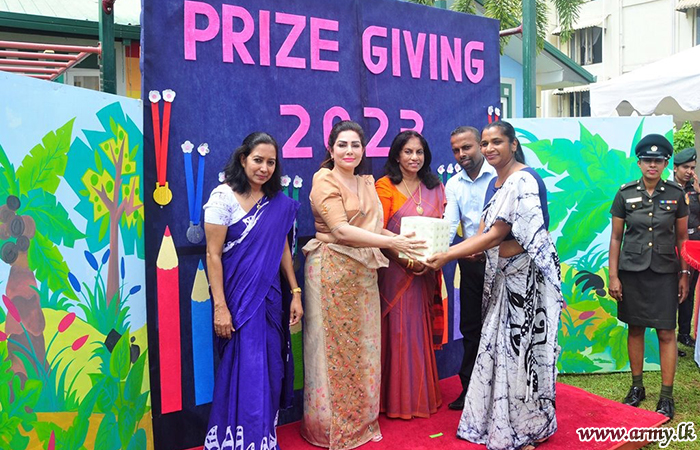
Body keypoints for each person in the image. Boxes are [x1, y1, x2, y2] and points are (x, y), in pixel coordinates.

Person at [427, 120, 562, 450]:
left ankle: (527, 428)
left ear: (513, 144)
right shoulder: (496, 184)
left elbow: (496, 234)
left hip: (526, 280)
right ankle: (502, 422)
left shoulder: (523, 179)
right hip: (501, 276)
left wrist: (447, 255)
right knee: (499, 350)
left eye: (496, 142)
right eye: (486, 143)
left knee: (522, 354)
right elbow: (483, 231)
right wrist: (453, 249)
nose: (489, 148)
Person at [301, 121, 424, 449]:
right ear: (331, 149)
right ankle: (328, 428)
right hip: (331, 269)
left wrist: (401, 241)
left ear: (363, 149)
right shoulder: (324, 179)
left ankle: (361, 423)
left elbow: (373, 228)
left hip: (364, 273)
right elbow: (340, 230)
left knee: (364, 349)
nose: (349, 151)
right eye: (342, 144)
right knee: (330, 350)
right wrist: (393, 242)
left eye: (355, 145)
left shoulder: (366, 182)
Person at [203, 132, 303, 450]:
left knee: (270, 367)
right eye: (258, 160)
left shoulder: (277, 203)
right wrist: (220, 307)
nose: (264, 168)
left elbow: (282, 247)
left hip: (270, 299)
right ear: (243, 158)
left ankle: (262, 438)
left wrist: (295, 291)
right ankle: (235, 440)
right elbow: (213, 255)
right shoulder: (223, 197)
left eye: (270, 162)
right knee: (245, 367)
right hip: (238, 301)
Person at [609, 134, 690, 419]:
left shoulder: (676, 195)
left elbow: (682, 239)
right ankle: (637, 387)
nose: (652, 165)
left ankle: (666, 396)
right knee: (635, 329)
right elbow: (616, 238)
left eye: (657, 160)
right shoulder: (625, 193)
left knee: (667, 332)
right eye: (647, 160)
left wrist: (684, 274)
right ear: (639, 163)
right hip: (632, 272)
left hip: (666, 272)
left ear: (666, 164)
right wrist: (613, 275)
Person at [374, 130, 445, 419]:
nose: (414, 157)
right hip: (395, 272)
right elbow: (378, 230)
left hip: (426, 271)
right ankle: (395, 400)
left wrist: (432, 261)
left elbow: (442, 228)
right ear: (396, 155)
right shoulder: (385, 186)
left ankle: (419, 396)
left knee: (418, 329)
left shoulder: (435, 186)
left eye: (419, 152)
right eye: (408, 152)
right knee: (398, 330)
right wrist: (405, 261)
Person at [442, 126, 496, 410]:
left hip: (503, 263)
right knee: (471, 328)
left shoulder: (501, 176)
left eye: (467, 147)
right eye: (456, 150)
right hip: (471, 264)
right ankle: (470, 392)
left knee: (502, 327)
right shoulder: (453, 184)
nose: (461, 154)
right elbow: (450, 225)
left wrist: (481, 246)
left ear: (481, 146)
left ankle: (503, 393)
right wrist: (438, 252)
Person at [673, 147, 698, 352]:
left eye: (692, 168)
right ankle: (668, 337)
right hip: (674, 244)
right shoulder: (668, 188)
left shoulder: (695, 189)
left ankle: (684, 333)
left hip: (694, 246)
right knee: (672, 291)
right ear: (675, 168)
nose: (690, 171)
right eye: (686, 167)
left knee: (688, 291)